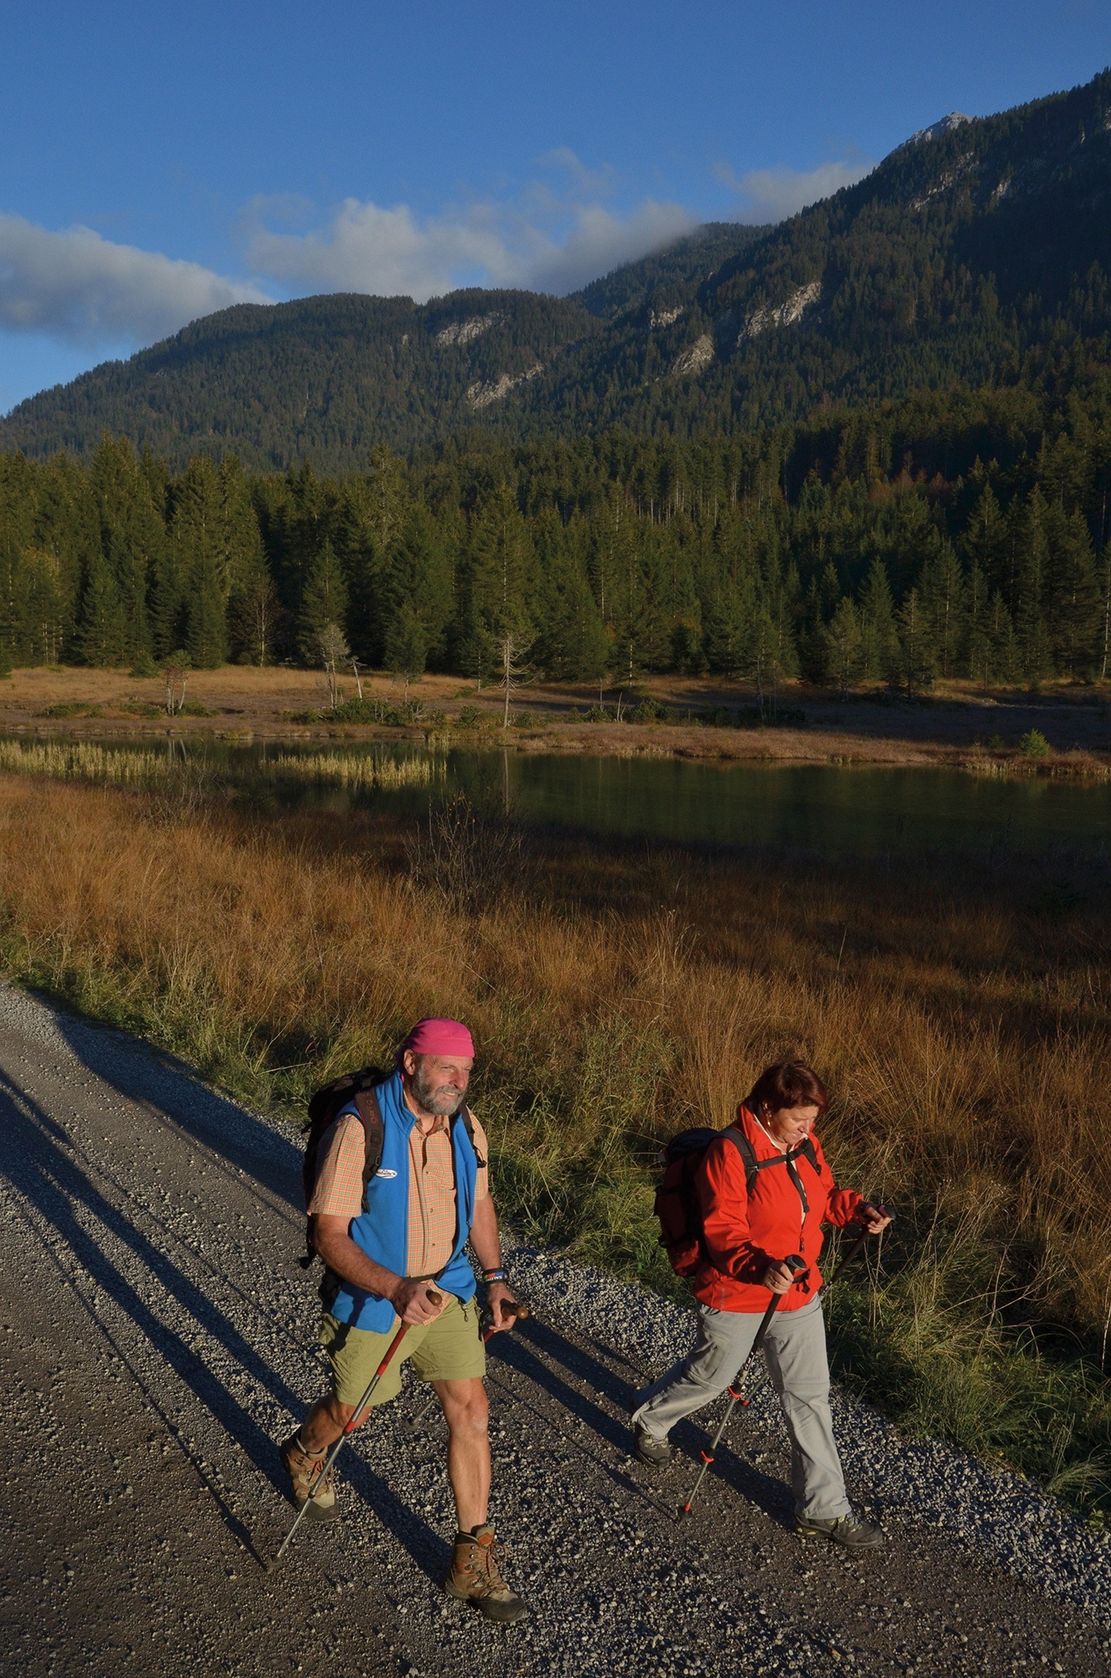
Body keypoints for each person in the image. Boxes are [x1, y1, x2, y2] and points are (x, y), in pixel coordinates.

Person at [280, 1017, 527, 1623]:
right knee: (353, 1410)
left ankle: (472, 1556)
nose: (458, 1080)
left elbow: (479, 1204)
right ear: (410, 1063)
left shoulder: (467, 1128)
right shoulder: (359, 1126)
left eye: (466, 1069)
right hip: (374, 1296)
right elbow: (329, 1234)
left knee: (471, 1410)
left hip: (448, 1290)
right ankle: (307, 1452)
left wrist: (494, 1280)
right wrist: (394, 1287)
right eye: (446, 1067)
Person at [631, 1060, 891, 1550]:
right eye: (799, 1119)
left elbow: (824, 1197)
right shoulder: (729, 1152)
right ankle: (653, 1418)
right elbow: (722, 1229)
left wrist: (858, 1209)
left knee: (810, 1397)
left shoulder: (806, 1146)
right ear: (769, 1109)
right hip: (738, 1291)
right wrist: (759, 1267)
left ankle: (823, 1509)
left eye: (813, 1120)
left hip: (797, 1291)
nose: (808, 1130)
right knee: (712, 1376)